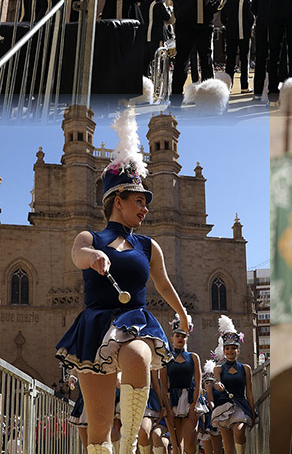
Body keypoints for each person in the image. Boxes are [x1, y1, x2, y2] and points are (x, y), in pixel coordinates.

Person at [56, 121, 189, 454]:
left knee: (136, 353)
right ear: (118, 201)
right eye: (139, 201)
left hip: (135, 322)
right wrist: (94, 256)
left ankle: (128, 447)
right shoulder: (90, 237)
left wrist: (182, 313)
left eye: (146, 202)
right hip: (95, 326)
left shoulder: (149, 246)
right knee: (98, 432)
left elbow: (163, 283)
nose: (145, 209)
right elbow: (78, 255)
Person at [166, 0, 220, 96]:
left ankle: (176, 96)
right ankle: (209, 97)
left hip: (184, 20)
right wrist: (210, 5)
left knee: (182, 59)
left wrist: (182, 4)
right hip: (204, 19)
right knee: (206, 59)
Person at [212, 318, 255, 454]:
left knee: (239, 431)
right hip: (223, 407)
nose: (231, 351)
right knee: (229, 448)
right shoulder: (218, 369)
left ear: (238, 350)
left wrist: (253, 413)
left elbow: (249, 392)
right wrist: (217, 385)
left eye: (233, 348)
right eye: (228, 348)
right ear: (224, 351)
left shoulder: (246, 368)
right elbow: (216, 381)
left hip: (241, 406)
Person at [160, 317, 201, 454]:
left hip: (190, 400)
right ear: (171, 338)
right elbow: (164, 386)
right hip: (173, 402)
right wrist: (169, 410)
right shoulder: (166, 358)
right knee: (177, 446)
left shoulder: (193, 357)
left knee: (190, 443)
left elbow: (198, 383)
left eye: (183, 336)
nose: (180, 339)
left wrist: (193, 406)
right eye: (177, 336)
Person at [221, 0, 253, 92]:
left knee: (230, 60)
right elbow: (251, 17)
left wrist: (229, 26)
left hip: (230, 33)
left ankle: (227, 87)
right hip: (244, 33)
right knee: (244, 60)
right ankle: (244, 86)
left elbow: (223, 17)